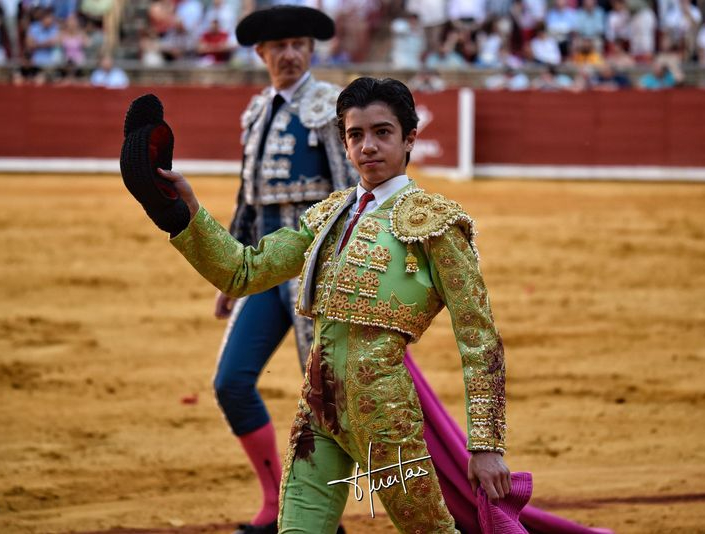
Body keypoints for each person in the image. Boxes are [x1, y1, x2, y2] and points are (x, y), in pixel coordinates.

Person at [121, 76, 510, 534]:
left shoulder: (436, 224)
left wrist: (486, 445)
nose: (368, 146)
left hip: (385, 420)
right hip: (318, 412)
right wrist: (179, 209)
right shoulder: (327, 216)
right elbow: (243, 271)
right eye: (355, 135)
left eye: (382, 133)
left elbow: (478, 338)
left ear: (409, 138)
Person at [212, 6, 357, 534]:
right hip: (265, 273)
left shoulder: (329, 107)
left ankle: (321, 519)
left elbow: (350, 194)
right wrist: (230, 272)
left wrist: (347, 272)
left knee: (323, 398)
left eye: (299, 44)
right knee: (231, 383)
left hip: (317, 271)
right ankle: (276, 504)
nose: (290, 54)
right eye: (280, 47)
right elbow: (247, 201)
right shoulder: (255, 112)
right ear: (261, 54)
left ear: (312, 50)